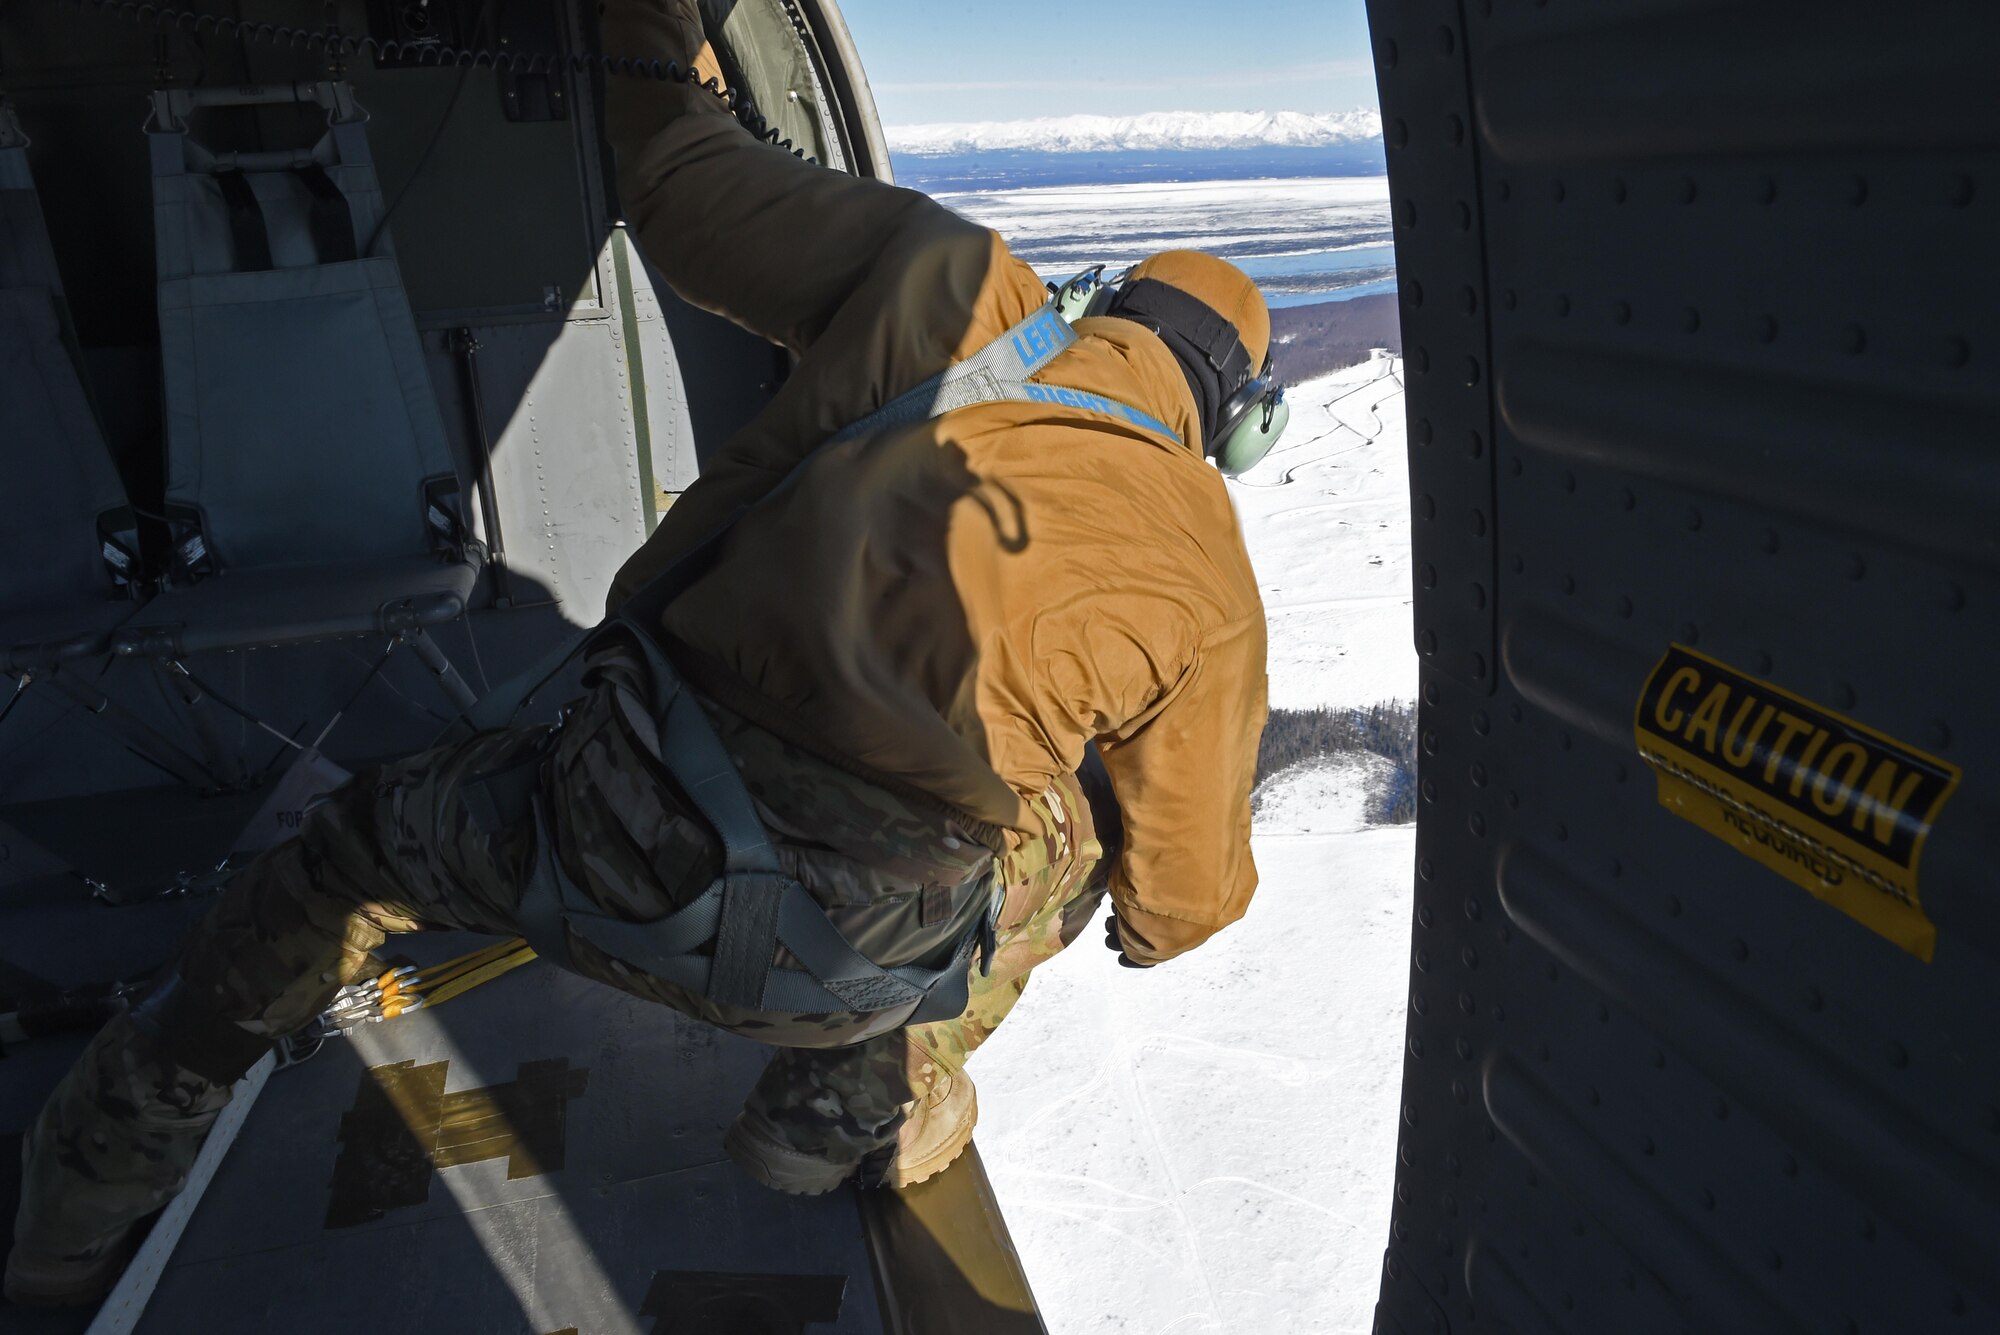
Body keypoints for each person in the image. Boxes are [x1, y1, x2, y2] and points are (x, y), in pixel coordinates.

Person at [4, 0, 1272, 1307]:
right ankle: (848, 1106)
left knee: (339, 868)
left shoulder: (948, 283)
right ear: (1222, 417)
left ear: (1114, 305)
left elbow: (672, 180)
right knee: (1080, 828)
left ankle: (78, 1199)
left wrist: (652, 24)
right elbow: (1184, 904)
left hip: (599, 828)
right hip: (858, 970)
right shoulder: (1210, 576)